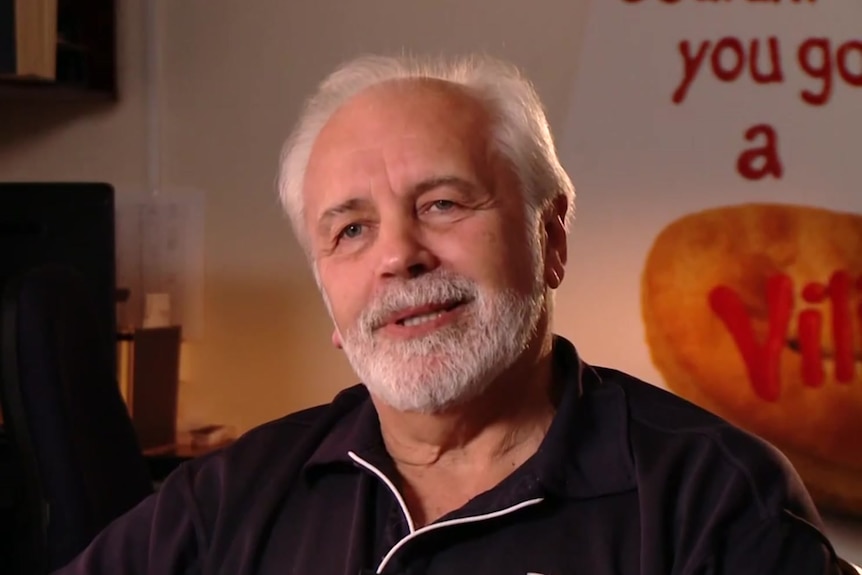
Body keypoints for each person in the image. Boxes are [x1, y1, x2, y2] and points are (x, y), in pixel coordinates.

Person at [55, 53, 851, 575]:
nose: (399, 255)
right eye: (352, 229)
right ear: (329, 291)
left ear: (551, 236)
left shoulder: (717, 498)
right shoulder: (225, 499)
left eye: (441, 203)